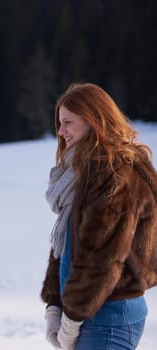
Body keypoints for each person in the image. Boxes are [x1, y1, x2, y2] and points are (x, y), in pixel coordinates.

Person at [41, 82, 157, 350]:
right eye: (60, 123)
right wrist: (54, 306)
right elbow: (69, 244)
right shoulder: (86, 173)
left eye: (68, 122)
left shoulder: (113, 175)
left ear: (93, 119)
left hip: (108, 317)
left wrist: (72, 319)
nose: (60, 132)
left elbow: (102, 257)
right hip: (92, 312)